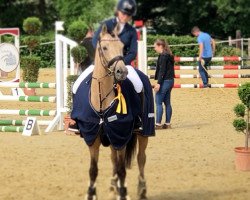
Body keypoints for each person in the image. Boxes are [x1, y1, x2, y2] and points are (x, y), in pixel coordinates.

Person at [92, 0, 137, 65]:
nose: (125, 17)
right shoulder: (106, 24)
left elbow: (133, 52)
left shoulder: (132, 31)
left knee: (138, 75)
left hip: (123, 64)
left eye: (129, 15)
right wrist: (105, 57)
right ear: (118, 11)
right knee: (84, 75)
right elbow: (95, 41)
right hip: (103, 62)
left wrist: (120, 62)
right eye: (123, 13)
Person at [154, 39, 175, 129]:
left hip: (164, 81)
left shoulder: (163, 56)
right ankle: (167, 123)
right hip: (170, 81)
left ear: (160, 46)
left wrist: (158, 83)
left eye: (155, 46)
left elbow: (162, 71)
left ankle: (158, 124)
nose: (154, 49)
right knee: (167, 103)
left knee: (158, 102)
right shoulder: (169, 54)